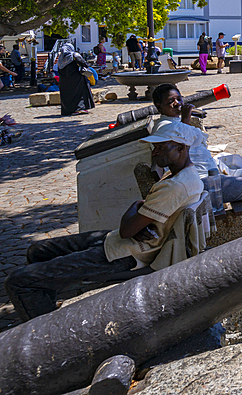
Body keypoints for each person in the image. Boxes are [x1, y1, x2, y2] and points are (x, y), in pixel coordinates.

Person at [4, 121, 205, 320]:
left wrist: (135, 207)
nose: (155, 152)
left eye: (161, 147)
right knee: (37, 251)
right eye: (155, 147)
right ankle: (43, 304)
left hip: (127, 254)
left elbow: (127, 229)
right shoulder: (184, 176)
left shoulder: (177, 187)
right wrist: (140, 216)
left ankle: (43, 332)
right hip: (122, 241)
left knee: (19, 281)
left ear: (181, 148)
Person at [151, 84, 242, 228]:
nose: (177, 103)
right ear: (159, 107)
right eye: (171, 101)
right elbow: (181, 146)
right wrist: (186, 118)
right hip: (200, 182)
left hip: (211, 174)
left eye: (179, 99)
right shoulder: (163, 126)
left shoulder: (173, 121)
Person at [57, 43, 95, 116]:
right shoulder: (74, 55)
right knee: (79, 93)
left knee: (67, 95)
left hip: (64, 81)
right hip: (76, 79)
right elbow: (83, 63)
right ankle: (79, 108)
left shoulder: (60, 59)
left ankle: (68, 110)